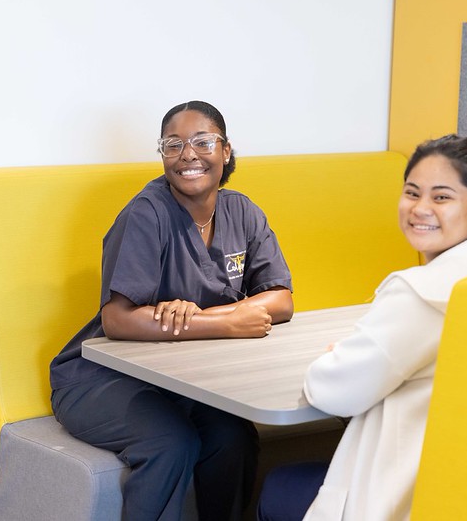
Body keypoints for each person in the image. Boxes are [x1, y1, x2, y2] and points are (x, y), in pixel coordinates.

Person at [50, 100, 294, 521]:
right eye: (173, 145)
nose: (188, 155)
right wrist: (231, 321)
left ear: (226, 150)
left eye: (202, 142)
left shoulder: (242, 212)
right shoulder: (148, 212)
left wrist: (213, 317)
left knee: (232, 437)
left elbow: (281, 299)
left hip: (183, 380)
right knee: (171, 442)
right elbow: (118, 319)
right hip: (102, 378)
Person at [256, 134, 467, 521]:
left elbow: (331, 389)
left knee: (278, 487)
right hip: (460, 485)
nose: (421, 208)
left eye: (442, 197)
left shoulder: (422, 293)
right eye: (412, 193)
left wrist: (338, 357)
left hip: (398, 496)